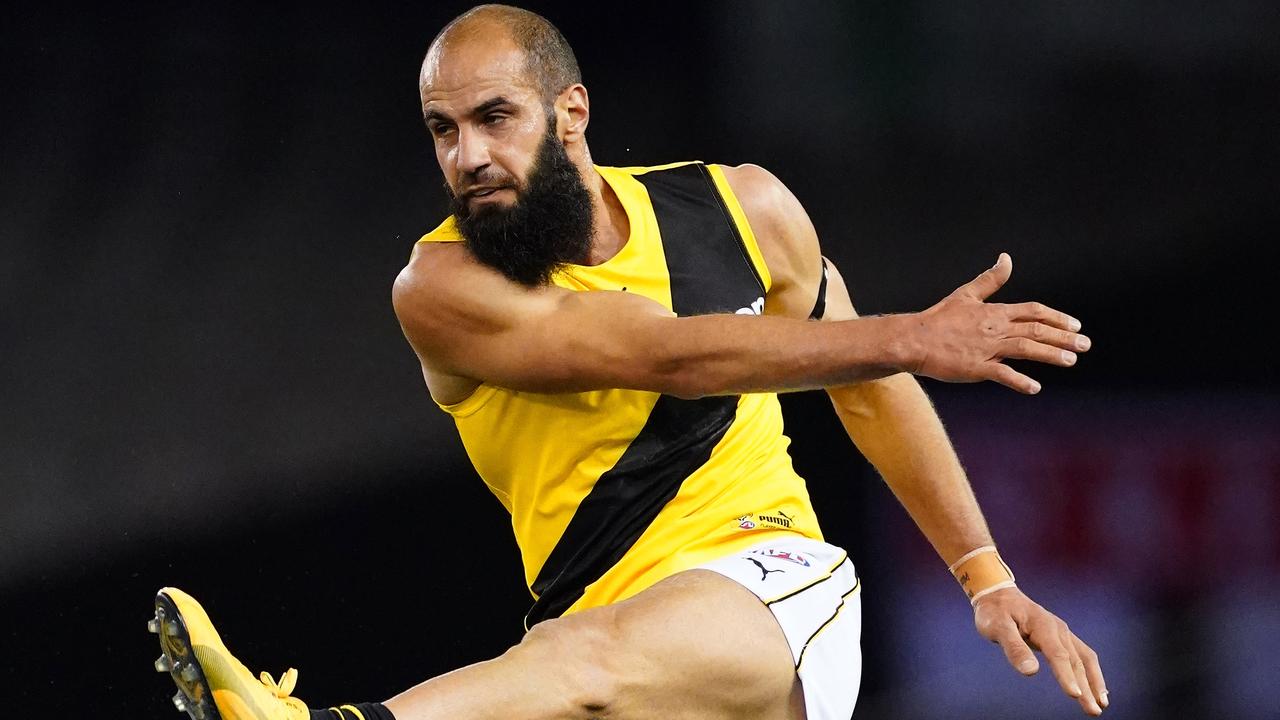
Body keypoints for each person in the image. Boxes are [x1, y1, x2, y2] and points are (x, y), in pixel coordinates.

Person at [149, 5, 1107, 720]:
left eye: (494, 117)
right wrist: (908, 331)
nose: (468, 155)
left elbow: (866, 391)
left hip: (772, 588)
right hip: (603, 659)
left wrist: (987, 578)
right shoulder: (439, 288)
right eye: (444, 130)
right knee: (582, 653)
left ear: (571, 112)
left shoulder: (744, 209)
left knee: (586, 654)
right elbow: (663, 354)